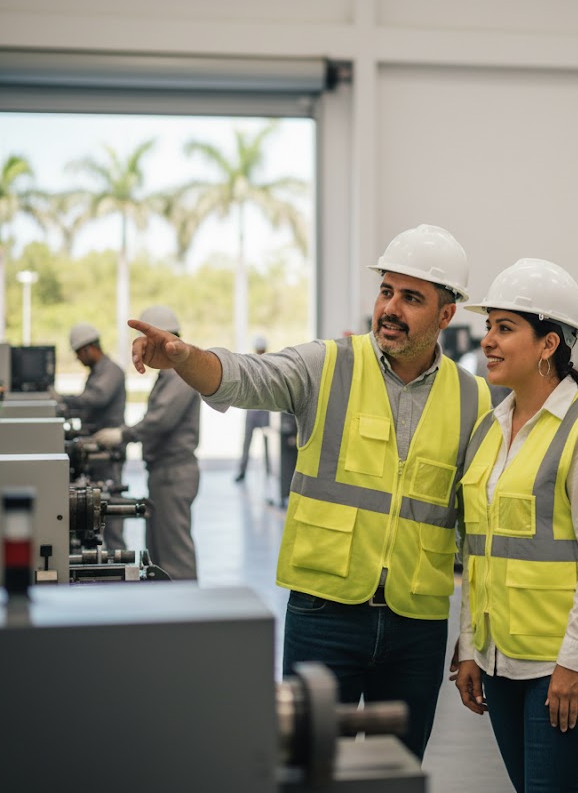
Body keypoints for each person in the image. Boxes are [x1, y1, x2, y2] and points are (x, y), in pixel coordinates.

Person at [126, 223, 491, 762]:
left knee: (396, 787)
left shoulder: (473, 398)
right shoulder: (329, 365)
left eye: (412, 298)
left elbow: (477, 532)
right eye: (386, 291)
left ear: (445, 315)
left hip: (416, 627)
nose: (391, 307)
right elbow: (244, 377)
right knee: (308, 785)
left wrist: (471, 639)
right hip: (325, 617)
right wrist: (184, 358)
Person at [453, 258, 578, 793]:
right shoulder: (490, 427)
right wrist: (469, 648)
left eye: (505, 328)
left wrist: (575, 662)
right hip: (502, 658)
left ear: (548, 343)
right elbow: (477, 552)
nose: (489, 341)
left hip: (568, 664)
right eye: (490, 327)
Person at [96, 306, 201, 581]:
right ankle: (168, 615)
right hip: (163, 472)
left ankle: (188, 617)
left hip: (174, 472)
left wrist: (124, 435)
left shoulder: (180, 372)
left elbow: (161, 419)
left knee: (174, 556)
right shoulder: (169, 373)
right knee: (159, 555)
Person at [59, 322, 127, 553]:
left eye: (78, 353)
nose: (78, 359)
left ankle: (120, 561)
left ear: (88, 349)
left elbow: (95, 398)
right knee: (93, 512)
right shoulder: (97, 372)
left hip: (107, 453)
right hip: (94, 452)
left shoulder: (111, 371)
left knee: (111, 514)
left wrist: (63, 400)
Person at [234, 334, 271, 483]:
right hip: (253, 411)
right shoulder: (251, 364)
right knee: (247, 443)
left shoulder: (269, 365)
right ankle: (242, 471)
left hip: (264, 411)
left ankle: (269, 471)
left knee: (267, 443)